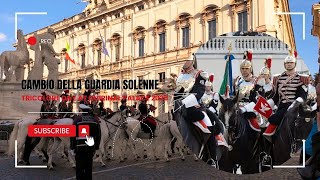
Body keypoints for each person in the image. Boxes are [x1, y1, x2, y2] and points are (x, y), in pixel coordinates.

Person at [175, 57, 224, 167]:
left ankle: (212, 158)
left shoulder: (200, 74)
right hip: (180, 106)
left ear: (191, 61)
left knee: (208, 127)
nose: (184, 62)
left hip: (194, 106)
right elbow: (178, 91)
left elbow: (199, 91)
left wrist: (186, 101)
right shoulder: (181, 76)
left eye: (186, 60)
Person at [262, 55, 309, 137]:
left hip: (295, 107)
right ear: (284, 64)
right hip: (282, 107)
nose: (289, 64)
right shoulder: (278, 78)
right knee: (266, 126)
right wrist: (267, 104)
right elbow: (276, 96)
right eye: (287, 63)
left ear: (295, 64)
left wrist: (294, 105)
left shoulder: (301, 78)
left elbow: (303, 96)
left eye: (291, 62)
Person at [233, 50, 264, 132]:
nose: (244, 70)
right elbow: (234, 95)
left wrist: (245, 108)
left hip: (251, 110)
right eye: (242, 68)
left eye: (246, 68)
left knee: (257, 129)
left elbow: (257, 100)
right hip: (237, 109)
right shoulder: (237, 80)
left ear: (250, 69)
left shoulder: (257, 81)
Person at [70, 104, 101, 180]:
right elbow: (99, 135)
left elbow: (72, 134)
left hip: (79, 148)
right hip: (90, 148)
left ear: (81, 111)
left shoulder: (77, 120)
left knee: (79, 170)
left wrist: (72, 147)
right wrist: (96, 147)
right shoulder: (94, 120)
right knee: (88, 169)